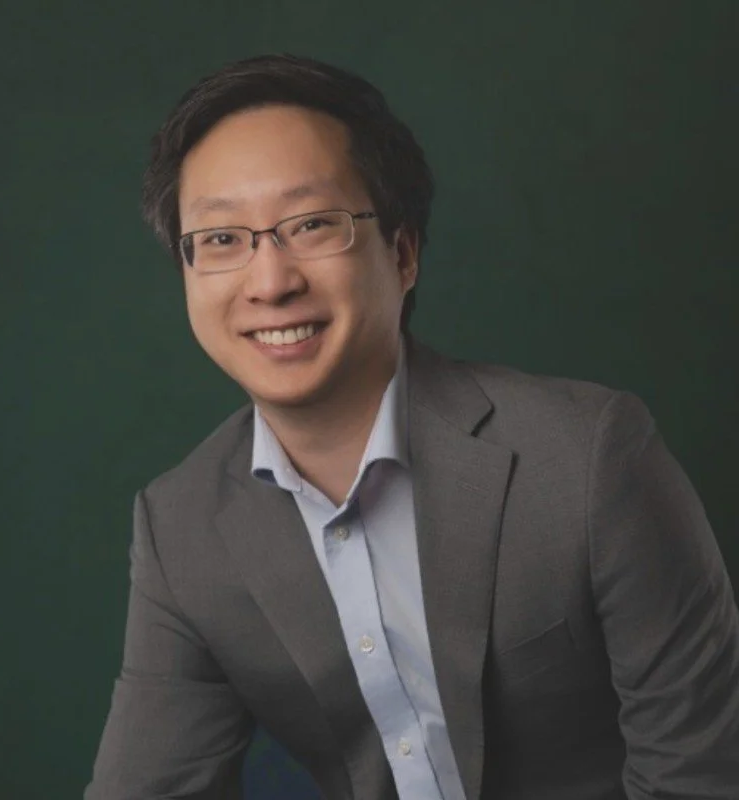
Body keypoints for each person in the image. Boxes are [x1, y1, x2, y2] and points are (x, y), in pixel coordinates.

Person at [84, 54, 739, 800]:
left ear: (402, 253)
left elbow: (702, 774)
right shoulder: (181, 528)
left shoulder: (590, 457)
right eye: (223, 239)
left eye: (311, 225)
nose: (270, 283)